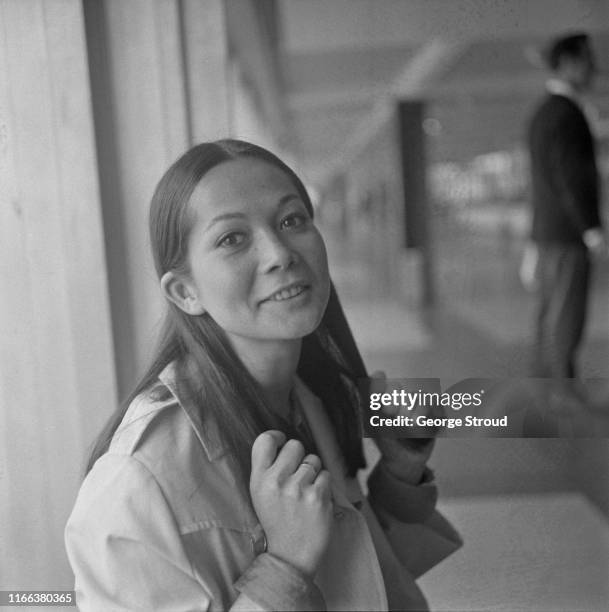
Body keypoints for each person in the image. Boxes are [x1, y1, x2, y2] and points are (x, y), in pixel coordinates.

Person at [65, 140, 460, 611]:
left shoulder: (310, 399)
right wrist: (285, 566)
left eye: (292, 220)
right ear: (185, 291)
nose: (279, 253)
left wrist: (400, 473)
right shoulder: (137, 486)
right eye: (232, 238)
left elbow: (361, 585)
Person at [526, 32, 607, 380]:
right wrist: (591, 229)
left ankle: (546, 390)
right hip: (566, 236)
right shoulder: (567, 114)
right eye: (588, 60)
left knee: (549, 316)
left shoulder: (543, 112)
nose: (595, 69)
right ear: (570, 63)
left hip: (548, 234)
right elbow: (572, 176)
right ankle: (559, 397)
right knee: (566, 317)